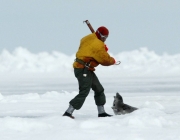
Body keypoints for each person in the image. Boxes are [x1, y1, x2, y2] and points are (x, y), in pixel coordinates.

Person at [63, 26, 116, 119]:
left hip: (86, 69)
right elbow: (105, 60)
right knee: (84, 91)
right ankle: (68, 112)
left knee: (99, 89)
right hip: (83, 69)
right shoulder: (98, 45)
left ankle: (102, 112)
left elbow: (91, 48)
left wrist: (102, 47)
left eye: (106, 38)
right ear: (99, 34)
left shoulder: (88, 37)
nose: (104, 39)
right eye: (103, 37)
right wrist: (113, 60)